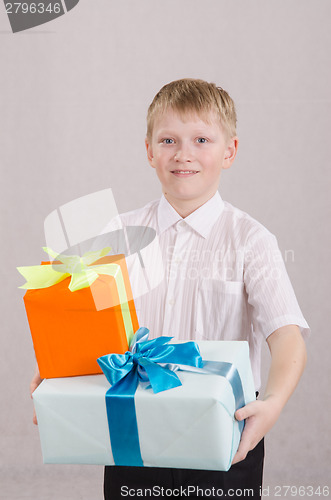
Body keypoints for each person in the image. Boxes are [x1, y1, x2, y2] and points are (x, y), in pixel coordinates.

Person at [30, 78, 309, 499]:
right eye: (168, 140)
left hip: (226, 431)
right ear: (149, 151)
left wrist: (271, 404)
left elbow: (287, 336)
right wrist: (57, 378)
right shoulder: (118, 234)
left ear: (229, 151)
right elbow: (89, 327)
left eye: (201, 139)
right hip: (136, 427)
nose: (183, 154)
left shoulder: (252, 240)